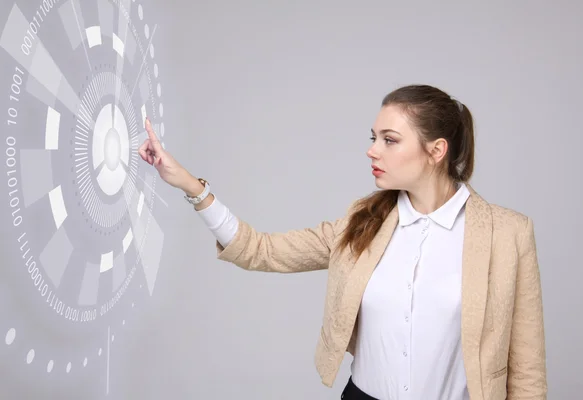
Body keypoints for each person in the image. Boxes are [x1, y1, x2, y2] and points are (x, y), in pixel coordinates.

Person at [138, 84, 547, 400]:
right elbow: (261, 250)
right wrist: (190, 185)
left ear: (436, 150)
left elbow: (526, 369)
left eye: (390, 139)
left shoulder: (507, 234)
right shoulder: (360, 223)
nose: (372, 150)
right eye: (373, 137)